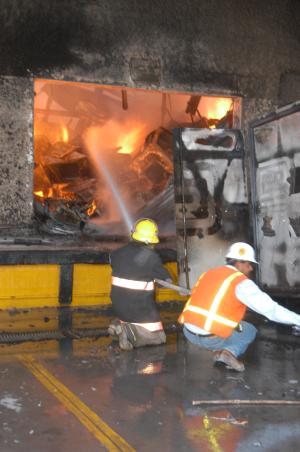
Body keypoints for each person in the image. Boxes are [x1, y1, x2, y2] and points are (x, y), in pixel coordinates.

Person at [178, 242, 300, 371]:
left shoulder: (209, 274)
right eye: (249, 264)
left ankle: (221, 351)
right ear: (239, 263)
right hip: (210, 337)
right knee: (248, 330)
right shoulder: (241, 283)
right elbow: (272, 310)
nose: (251, 269)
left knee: (236, 325)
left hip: (188, 332)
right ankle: (228, 352)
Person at [108, 218, 172, 350]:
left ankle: (118, 325)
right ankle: (127, 331)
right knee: (159, 339)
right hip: (138, 309)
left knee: (130, 316)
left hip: (118, 306)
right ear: (152, 238)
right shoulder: (151, 257)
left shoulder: (117, 253)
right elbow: (166, 281)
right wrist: (168, 280)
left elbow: (126, 266)